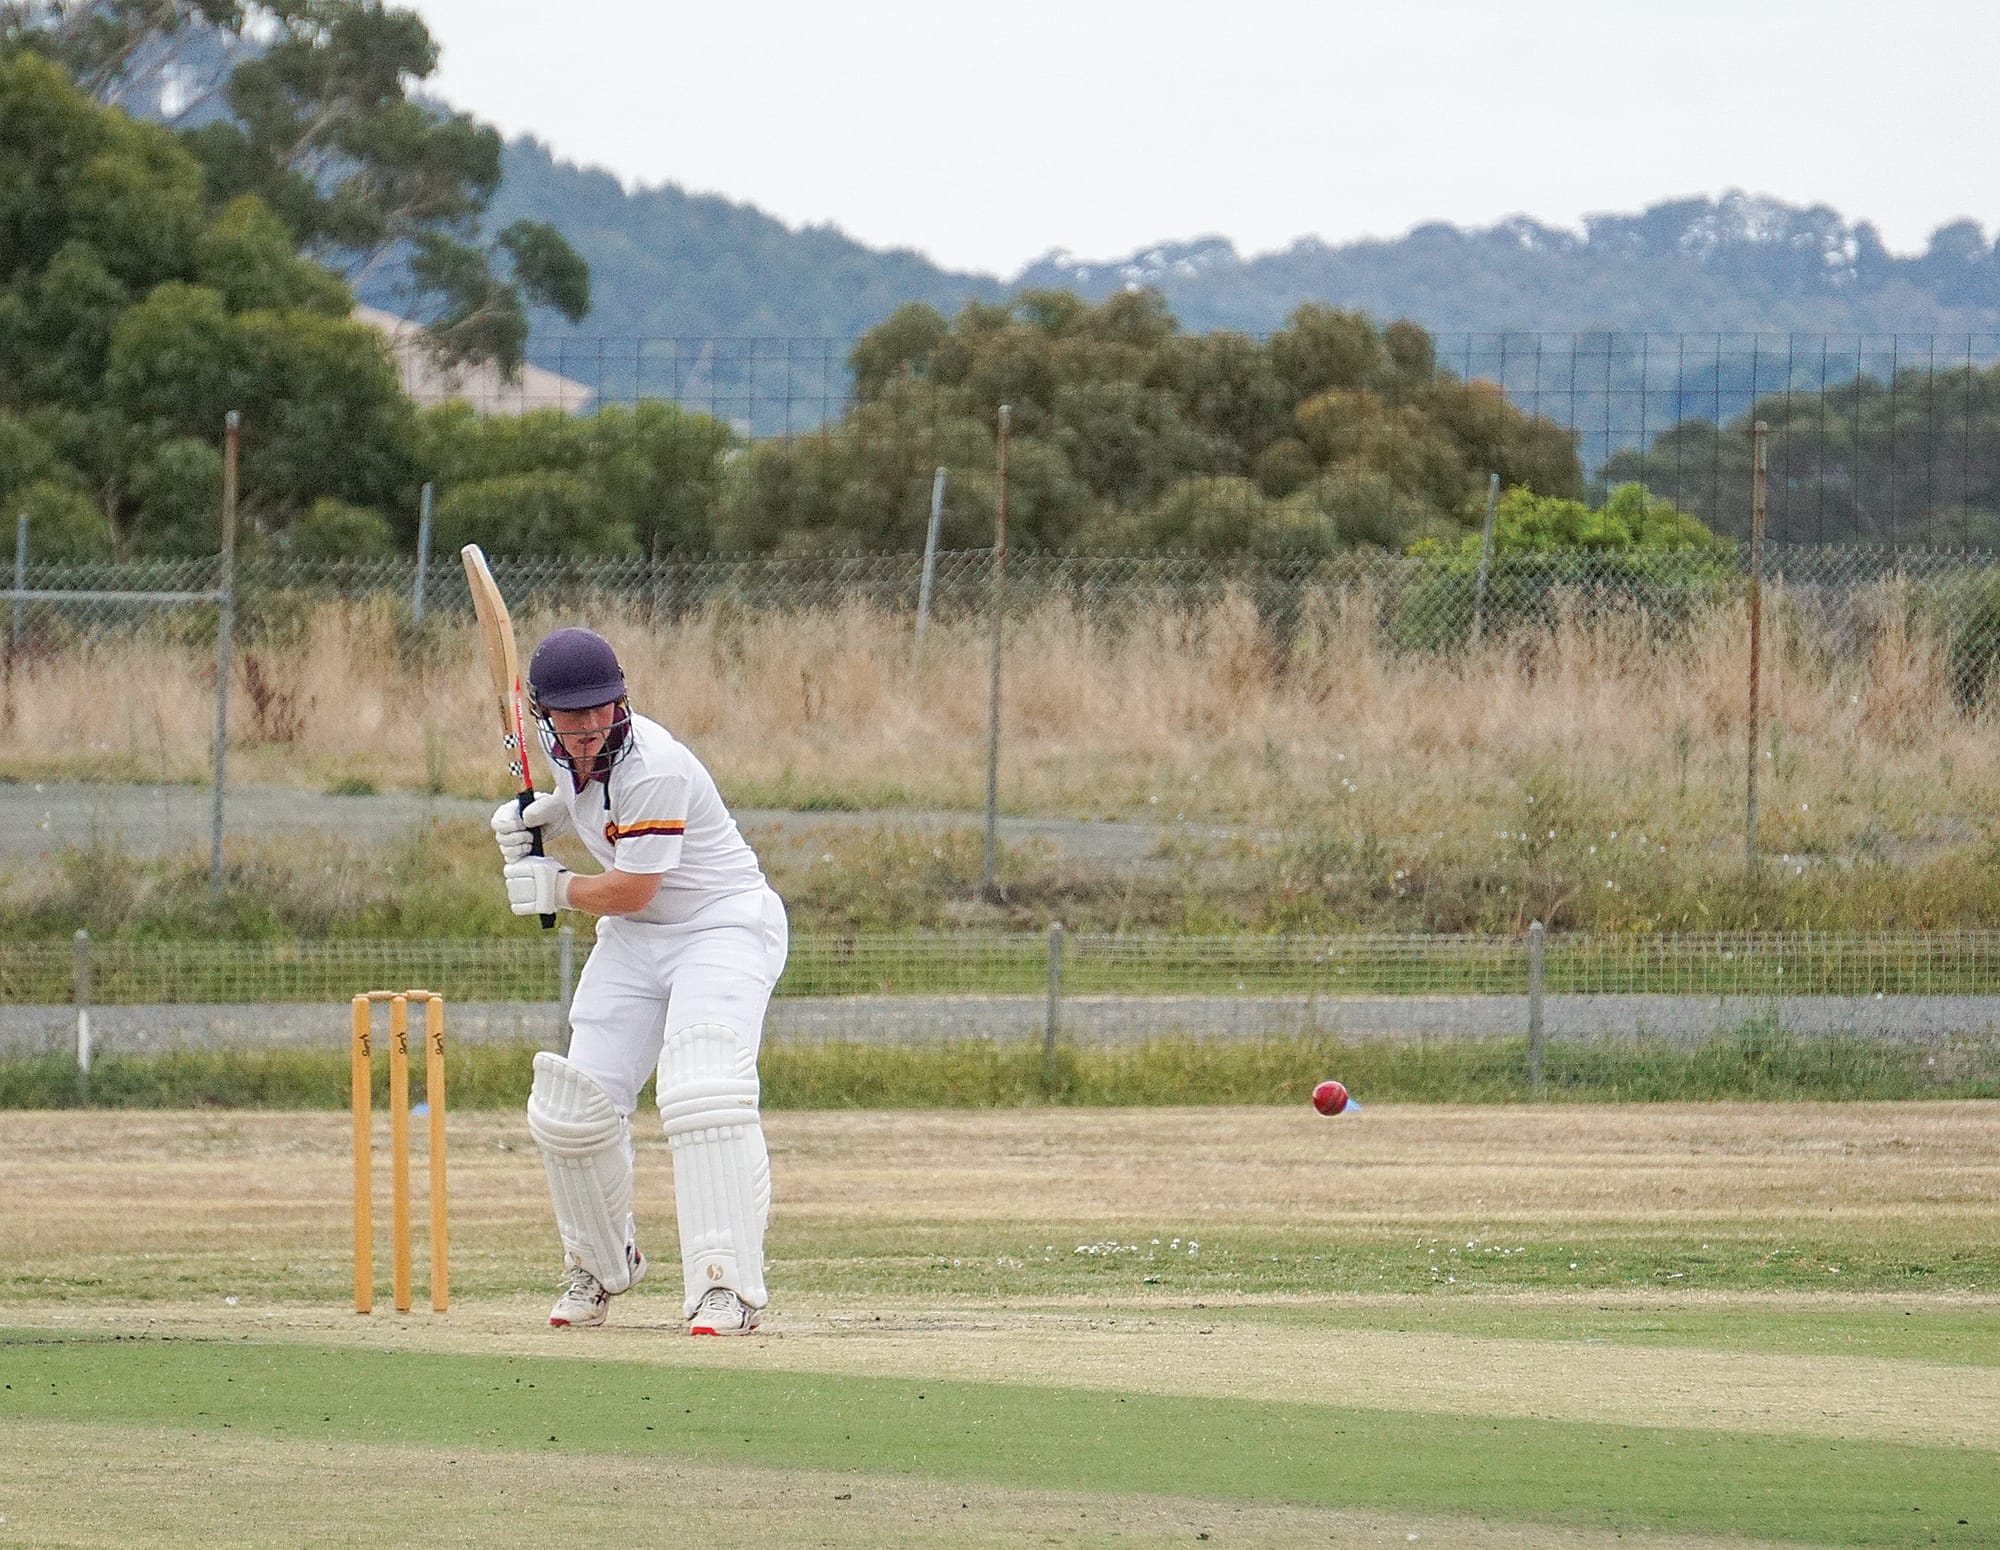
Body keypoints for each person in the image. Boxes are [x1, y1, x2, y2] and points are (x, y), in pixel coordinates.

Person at [491, 626, 788, 1335]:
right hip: (638, 939)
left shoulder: (654, 765)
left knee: (704, 1090)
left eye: (604, 707)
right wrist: (547, 812)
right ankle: (601, 1264)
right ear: (545, 716)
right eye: (574, 715)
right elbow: (592, 803)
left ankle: (726, 1289)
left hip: (720, 924)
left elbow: (633, 888)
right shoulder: (565, 754)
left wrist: (556, 886)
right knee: (572, 1107)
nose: (592, 725)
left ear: (620, 699)